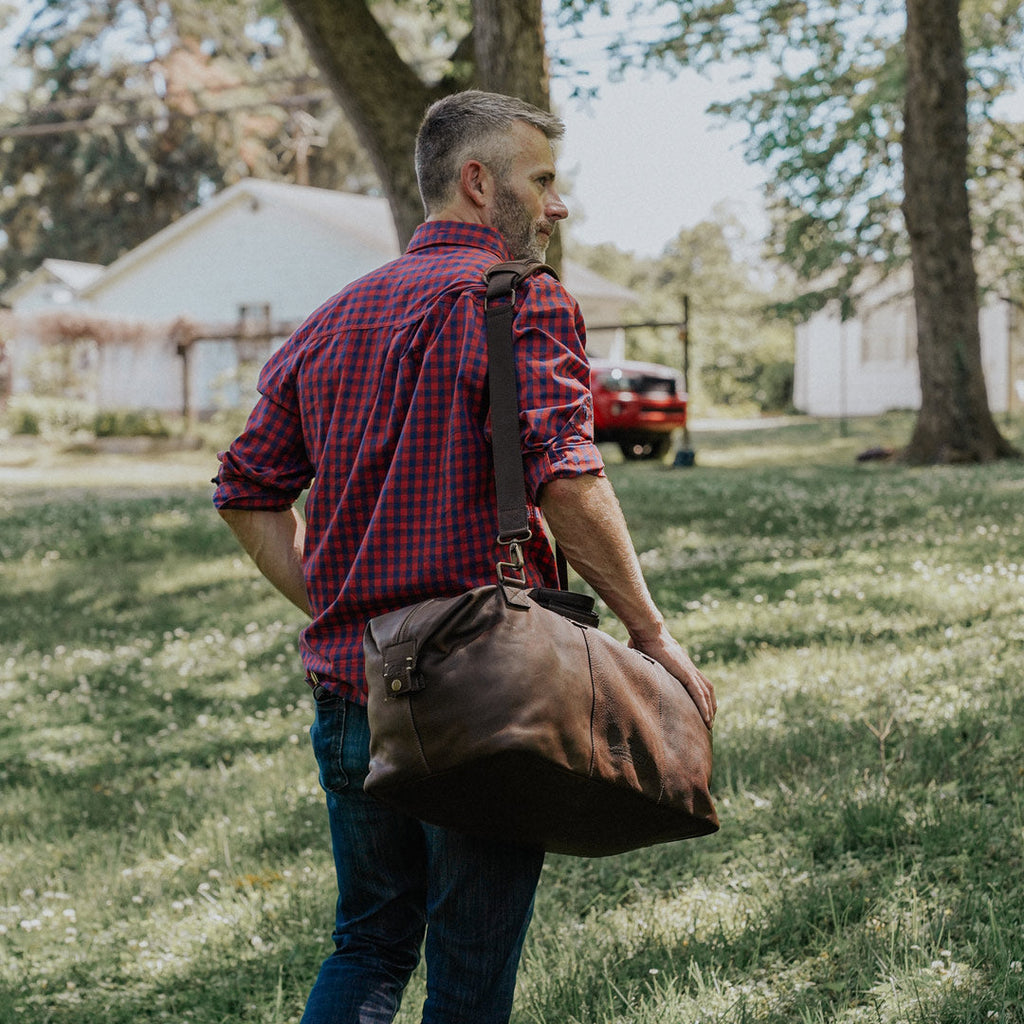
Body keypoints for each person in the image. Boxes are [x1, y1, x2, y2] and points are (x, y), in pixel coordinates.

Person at [213, 89, 715, 1024]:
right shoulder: (524, 300)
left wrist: (341, 608)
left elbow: (246, 491)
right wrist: (651, 634)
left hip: (353, 689)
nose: (558, 205)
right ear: (479, 182)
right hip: (486, 697)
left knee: (368, 945)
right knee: (469, 979)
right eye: (543, 180)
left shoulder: (329, 319)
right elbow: (567, 477)